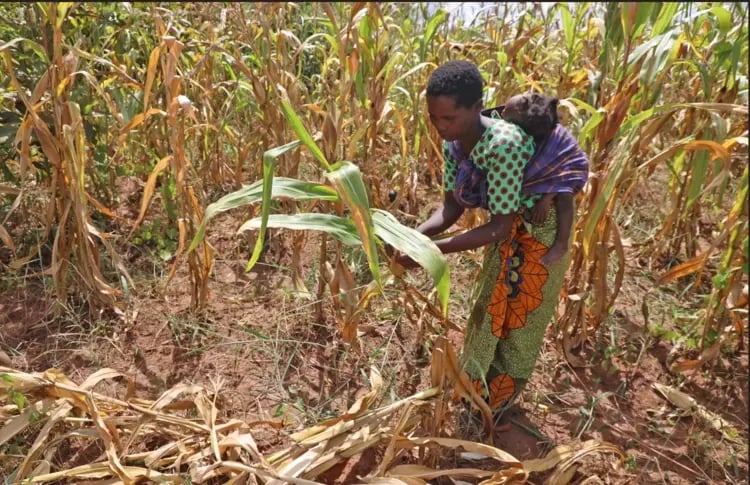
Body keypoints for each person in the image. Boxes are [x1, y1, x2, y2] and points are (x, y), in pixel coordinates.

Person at [395, 60, 589, 418]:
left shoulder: (504, 145)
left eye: (449, 118)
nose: (440, 127)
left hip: (538, 233)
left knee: (521, 321)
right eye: (434, 118)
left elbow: (500, 226)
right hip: (507, 234)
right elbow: (450, 210)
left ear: (476, 107)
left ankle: (497, 406)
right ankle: (474, 392)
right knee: (488, 311)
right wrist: (412, 237)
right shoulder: (456, 145)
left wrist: (431, 249)